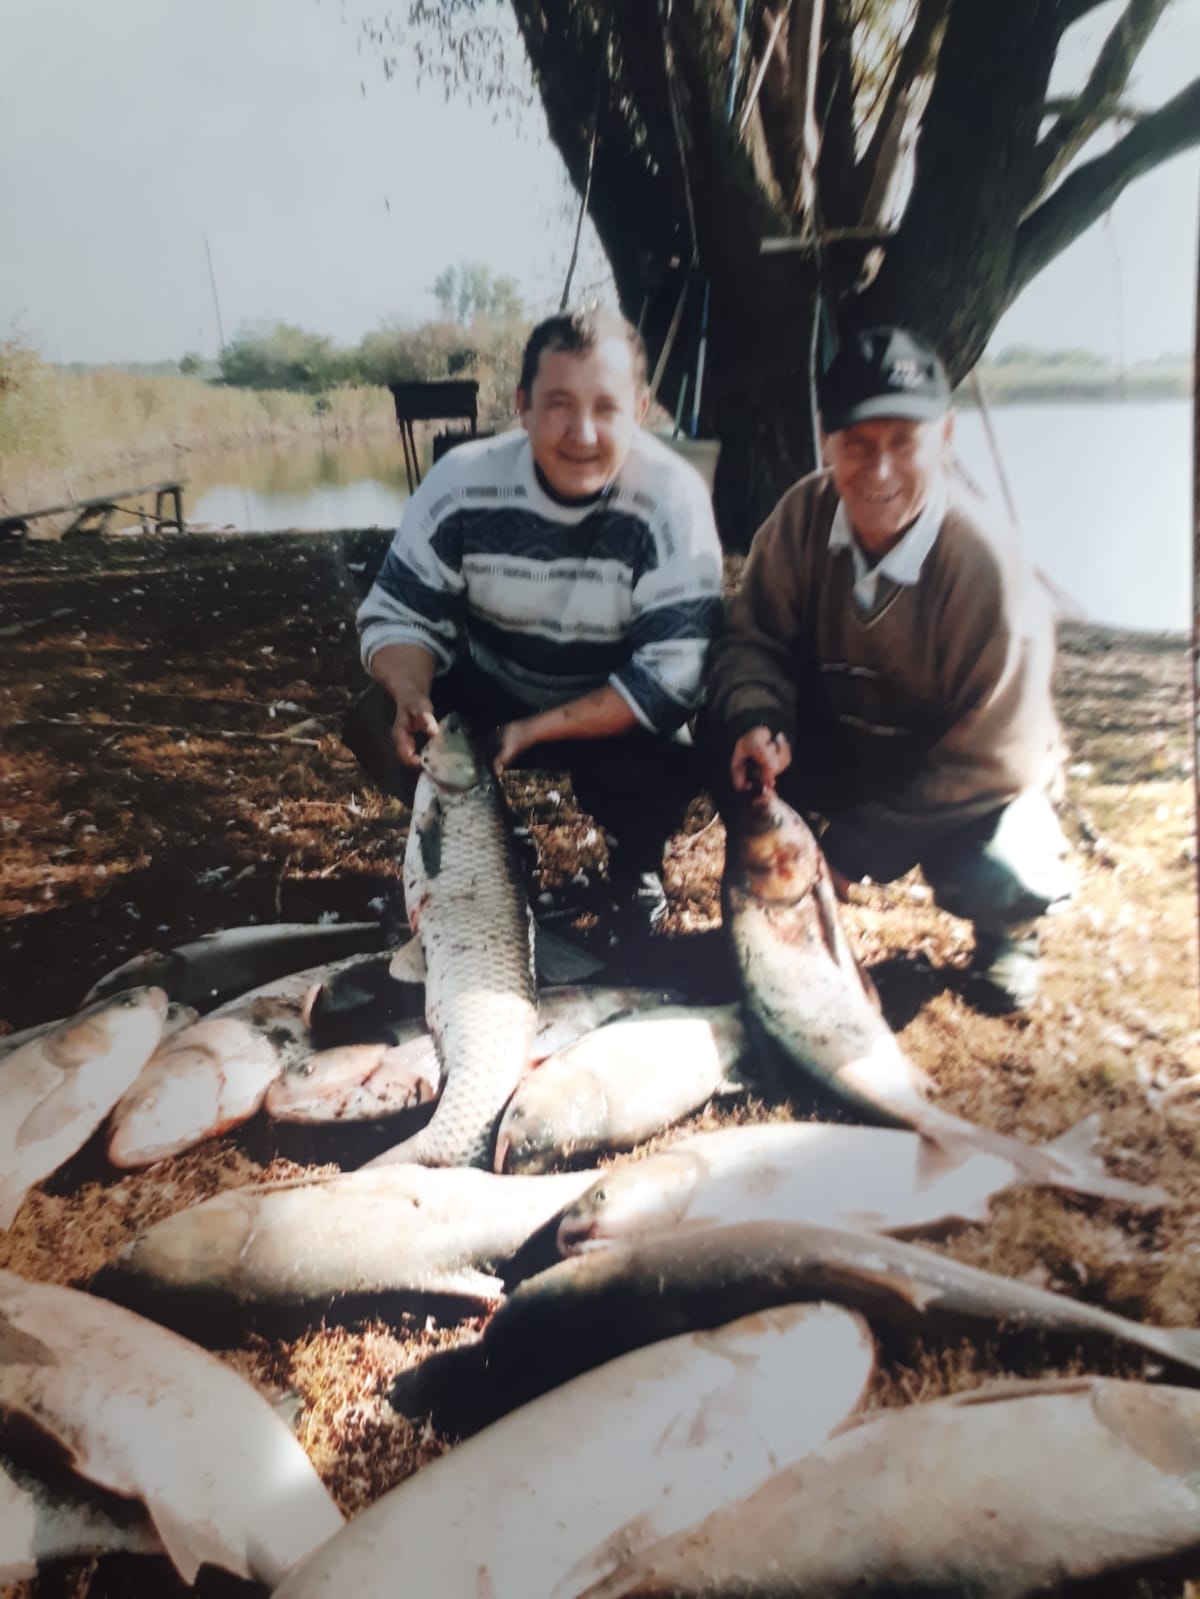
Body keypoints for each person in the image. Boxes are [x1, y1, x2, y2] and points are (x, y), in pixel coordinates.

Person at [705, 325, 1074, 1012]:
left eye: (904, 442)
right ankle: (774, 902)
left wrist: (853, 848)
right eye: (858, 445)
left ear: (946, 436)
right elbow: (750, 640)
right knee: (716, 734)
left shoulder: (986, 562)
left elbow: (998, 753)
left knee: (1002, 867)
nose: (879, 472)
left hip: (956, 773)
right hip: (845, 744)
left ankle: (1008, 932)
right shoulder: (798, 520)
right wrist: (759, 720)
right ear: (826, 440)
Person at [343, 306, 725, 938]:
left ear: (642, 406)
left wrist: (535, 730)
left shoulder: (673, 498)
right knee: (373, 719)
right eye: (557, 403)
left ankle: (634, 863)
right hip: (492, 687)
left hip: (613, 701)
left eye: (606, 406)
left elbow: (672, 676)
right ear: (521, 404)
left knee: (671, 752)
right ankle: (492, 843)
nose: (581, 432)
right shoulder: (461, 482)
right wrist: (411, 691)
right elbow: (400, 612)